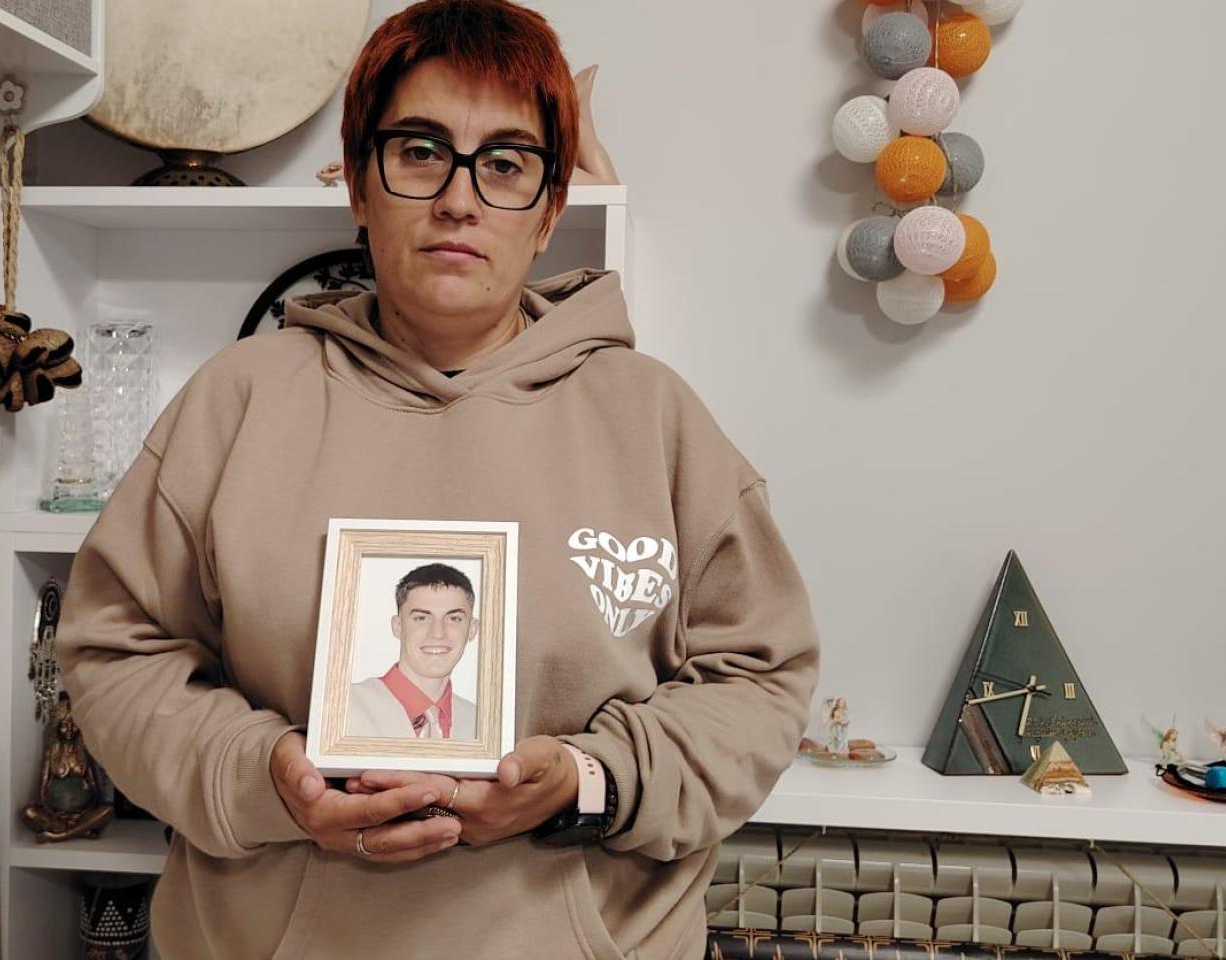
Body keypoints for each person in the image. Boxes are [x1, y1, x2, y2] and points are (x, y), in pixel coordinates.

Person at [56, 1, 820, 957]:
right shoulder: (237, 400)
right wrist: (265, 776)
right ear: (358, 184)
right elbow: (115, 654)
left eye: (505, 163)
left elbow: (760, 678)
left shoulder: (654, 417)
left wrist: (591, 781)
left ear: (550, 211)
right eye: (419, 152)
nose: (460, 199)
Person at [346, 563, 479, 740]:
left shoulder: (482, 726)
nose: (437, 633)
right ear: (398, 626)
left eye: (454, 618)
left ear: (472, 629)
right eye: (421, 618)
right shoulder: (343, 708)